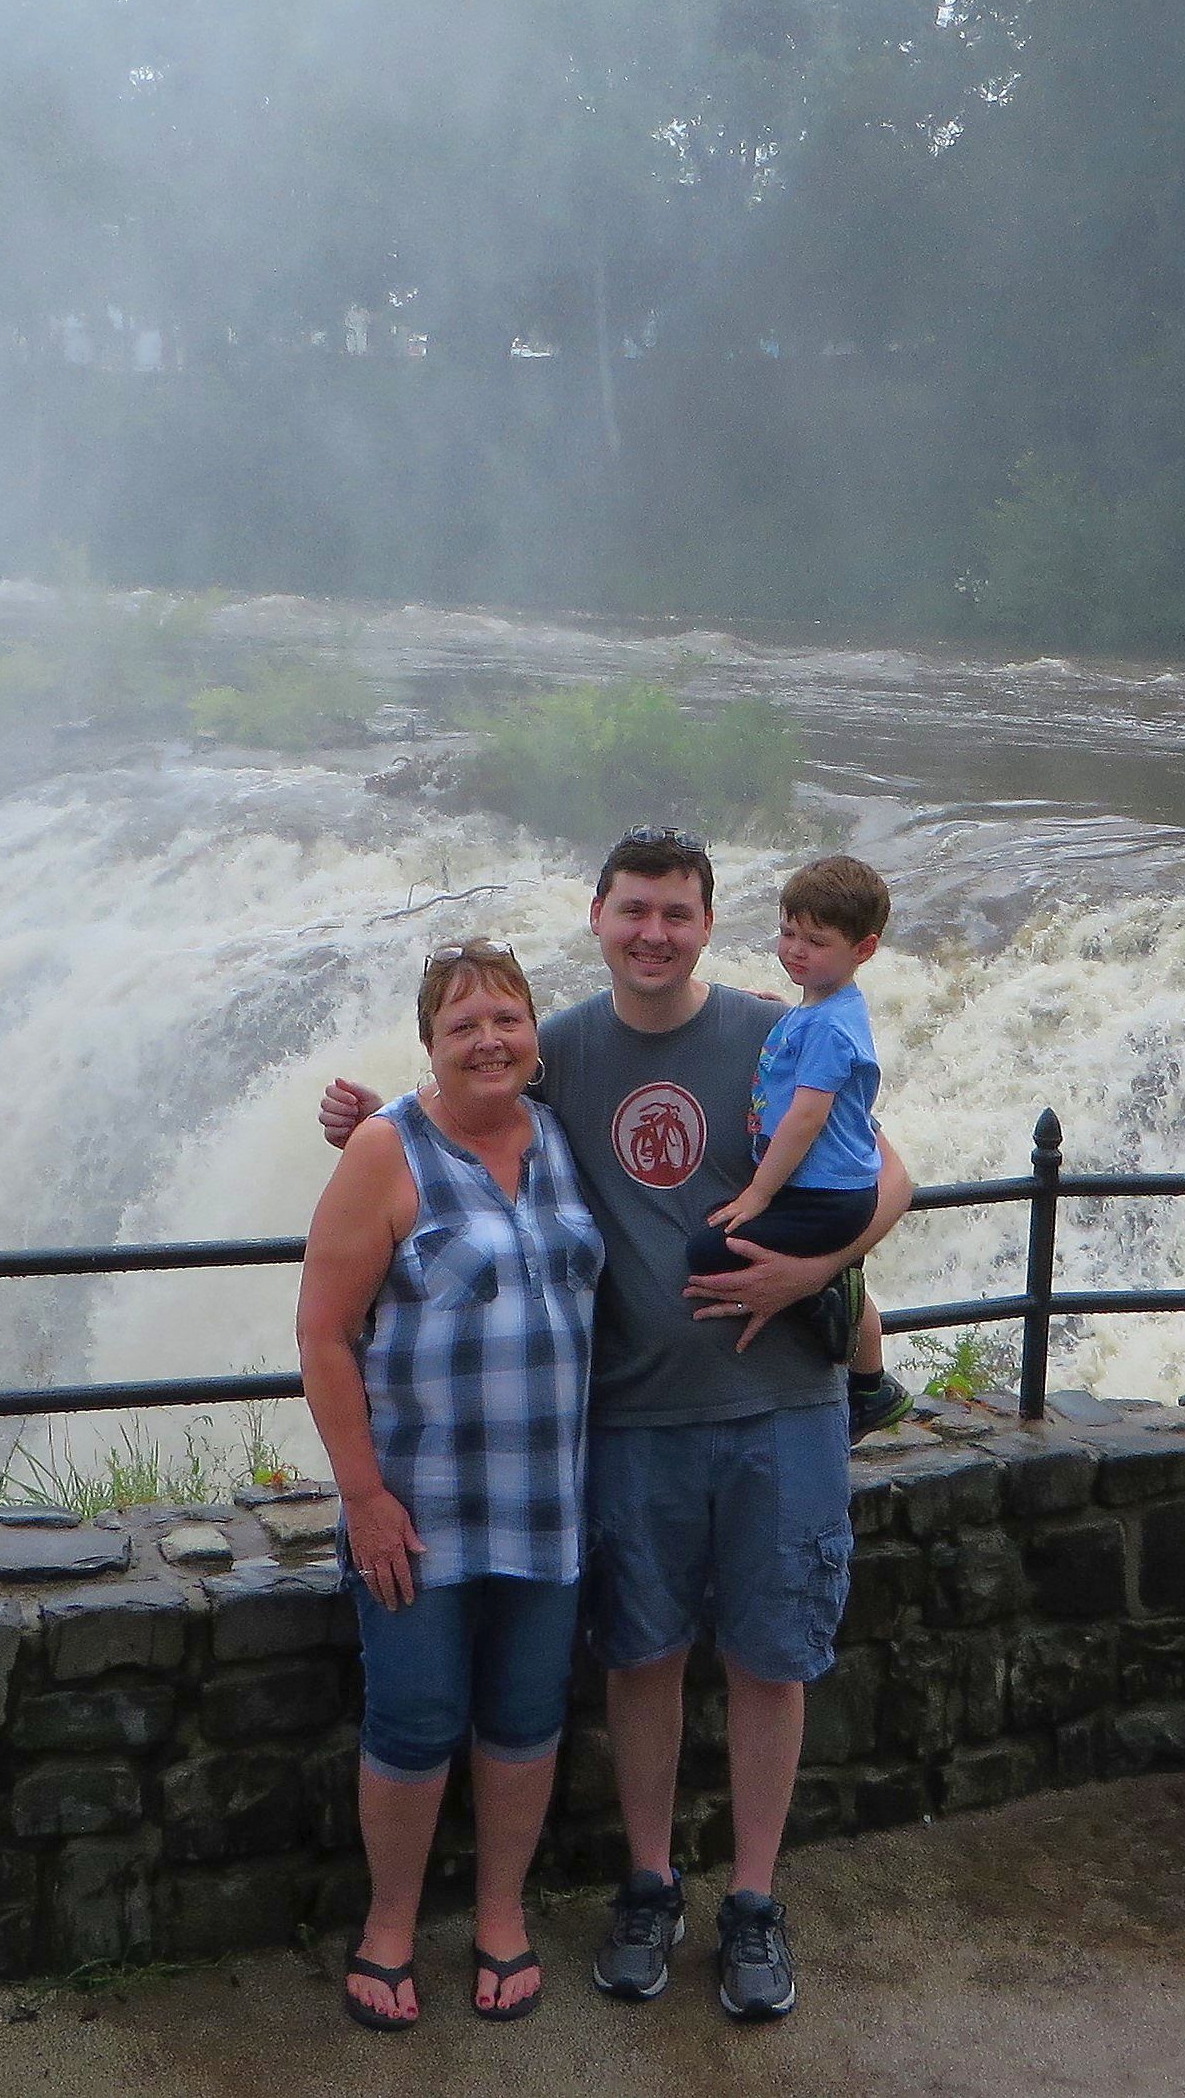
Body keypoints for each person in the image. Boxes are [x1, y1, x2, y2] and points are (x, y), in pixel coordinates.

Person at [319, 828, 910, 2023]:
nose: (652, 932)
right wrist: (370, 1120)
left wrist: (813, 1275)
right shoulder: (566, 1052)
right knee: (641, 1658)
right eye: (632, 909)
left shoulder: (771, 1028)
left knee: (771, 1660)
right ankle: (649, 1886)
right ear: (595, 917)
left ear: (707, 923)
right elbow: (461, 1108)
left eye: (676, 912)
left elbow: (890, 1173)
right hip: (633, 1416)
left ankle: (754, 1900)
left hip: (781, 1404)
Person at [298, 938, 601, 2031]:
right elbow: (322, 1334)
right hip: (418, 1511)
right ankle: (388, 1927)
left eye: (506, 1018)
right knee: (415, 1720)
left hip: (549, 1502)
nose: (488, 1039)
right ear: (428, 1042)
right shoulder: (386, 1150)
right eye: (463, 1023)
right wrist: (364, 1497)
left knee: (525, 1718)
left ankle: (501, 1914)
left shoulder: (560, 1132)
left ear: (534, 1033)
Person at [687, 853, 914, 1440]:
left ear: (863, 949)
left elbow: (806, 1118)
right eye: (788, 933)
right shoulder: (821, 1010)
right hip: (833, 1190)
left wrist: (759, 1194)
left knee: (707, 1249)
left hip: (822, 1197)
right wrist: (783, 1016)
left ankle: (830, 1300)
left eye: (815, 942)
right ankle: (869, 1381)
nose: (795, 950)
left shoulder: (829, 1027)